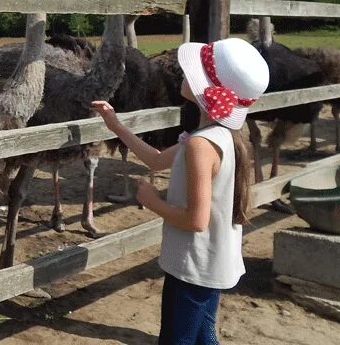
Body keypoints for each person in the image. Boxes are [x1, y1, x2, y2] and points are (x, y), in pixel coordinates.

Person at [91, 38, 269, 344]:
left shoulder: (201, 145)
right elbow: (156, 160)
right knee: (202, 335)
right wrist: (115, 125)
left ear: (207, 90)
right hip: (209, 264)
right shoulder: (219, 136)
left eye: (192, 72)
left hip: (193, 267)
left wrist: (151, 200)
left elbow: (195, 221)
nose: (182, 74)